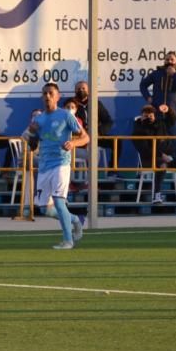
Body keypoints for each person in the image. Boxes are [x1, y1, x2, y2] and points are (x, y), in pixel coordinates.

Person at [27, 83, 88, 249]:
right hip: (44, 165)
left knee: (59, 201)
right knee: (44, 209)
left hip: (61, 163)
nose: (47, 96)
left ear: (58, 96)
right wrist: (32, 133)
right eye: (45, 93)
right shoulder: (38, 119)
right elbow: (32, 147)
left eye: (51, 93)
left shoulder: (66, 116)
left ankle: (68, 240)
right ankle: (75, 219)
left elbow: (86, 137)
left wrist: (74, 143)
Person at [130, 105, 176, 205]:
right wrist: (162, 155)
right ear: (141, 117)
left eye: (151, 116)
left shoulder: (161, 123)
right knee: (162, 165)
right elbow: (144, 150)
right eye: (145, 116)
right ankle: (156, 195)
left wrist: (169, 110)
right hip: (150, 159)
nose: (149, 118)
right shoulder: (138, 130)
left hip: (168, 157)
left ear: (154, 115)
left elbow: (173, 120)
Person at [63, 80, 116, 176]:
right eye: (78, 89)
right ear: (75, 91)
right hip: (79, 139)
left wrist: (99, 132)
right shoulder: (72, 105)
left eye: (83, 88)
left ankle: (112, 171)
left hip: (96, 136)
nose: (81, 90)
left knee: (117, 143)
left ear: (89, 91)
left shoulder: (96, 103)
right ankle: (80, 179)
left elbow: (108, 121)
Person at [139, 52, 176, 136]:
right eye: (167, 59)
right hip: (157, 115)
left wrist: (174, 74)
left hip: (172, 116)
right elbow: (143, 85)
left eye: (172, 59)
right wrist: (148, 97)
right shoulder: (157, 73)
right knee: (158, 146)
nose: (169, 61)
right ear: (164, 61)